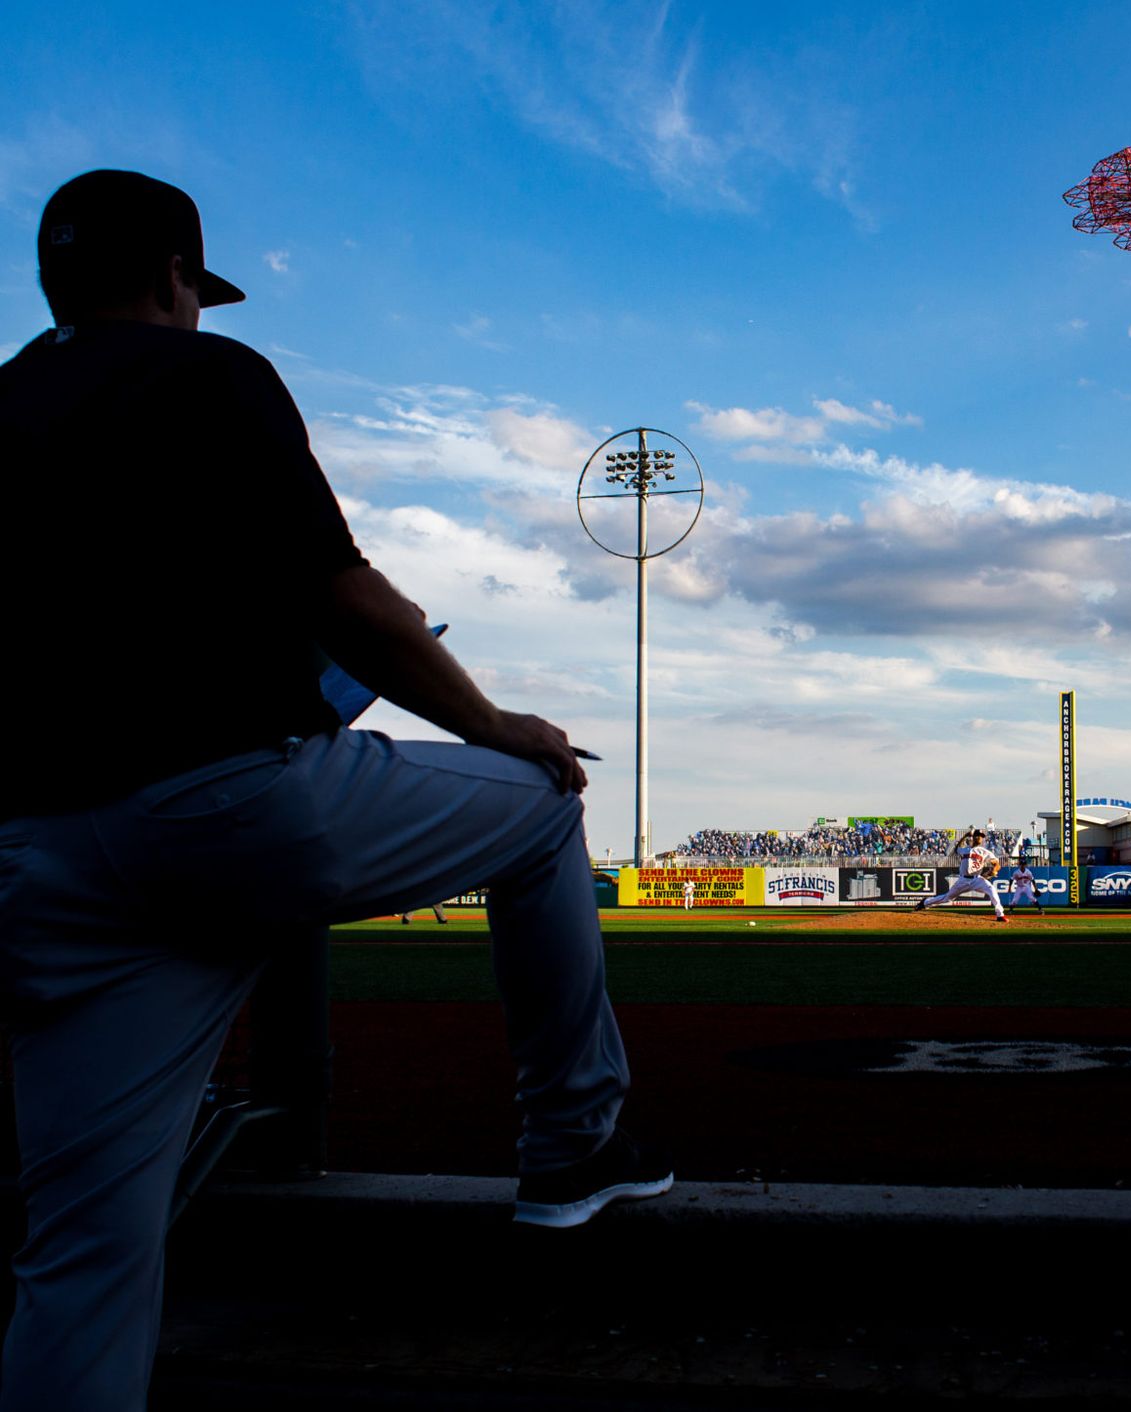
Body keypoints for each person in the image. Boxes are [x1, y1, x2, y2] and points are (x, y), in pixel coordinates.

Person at [0, 170, 673, 1412]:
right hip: (226, 807)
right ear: (172, 280)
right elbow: (348, 599)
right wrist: (492, 720)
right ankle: (570, 1144)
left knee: (80, 1262)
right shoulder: (208, 373)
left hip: (40, 855)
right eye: (194, 288)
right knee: (539, 803)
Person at [913, 827, 1007, 922]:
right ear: (973, 837)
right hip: (963, 880)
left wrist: (994, 869)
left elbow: (997, 864)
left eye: (981, 836)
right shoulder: (964, 849)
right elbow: (957, 847)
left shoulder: (985, 852)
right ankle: (925, 903)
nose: (979, 838)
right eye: (978, 835)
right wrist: (965, 836)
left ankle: (1000, 915)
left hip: (977, 879)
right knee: (947, 898)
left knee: (992, 890)